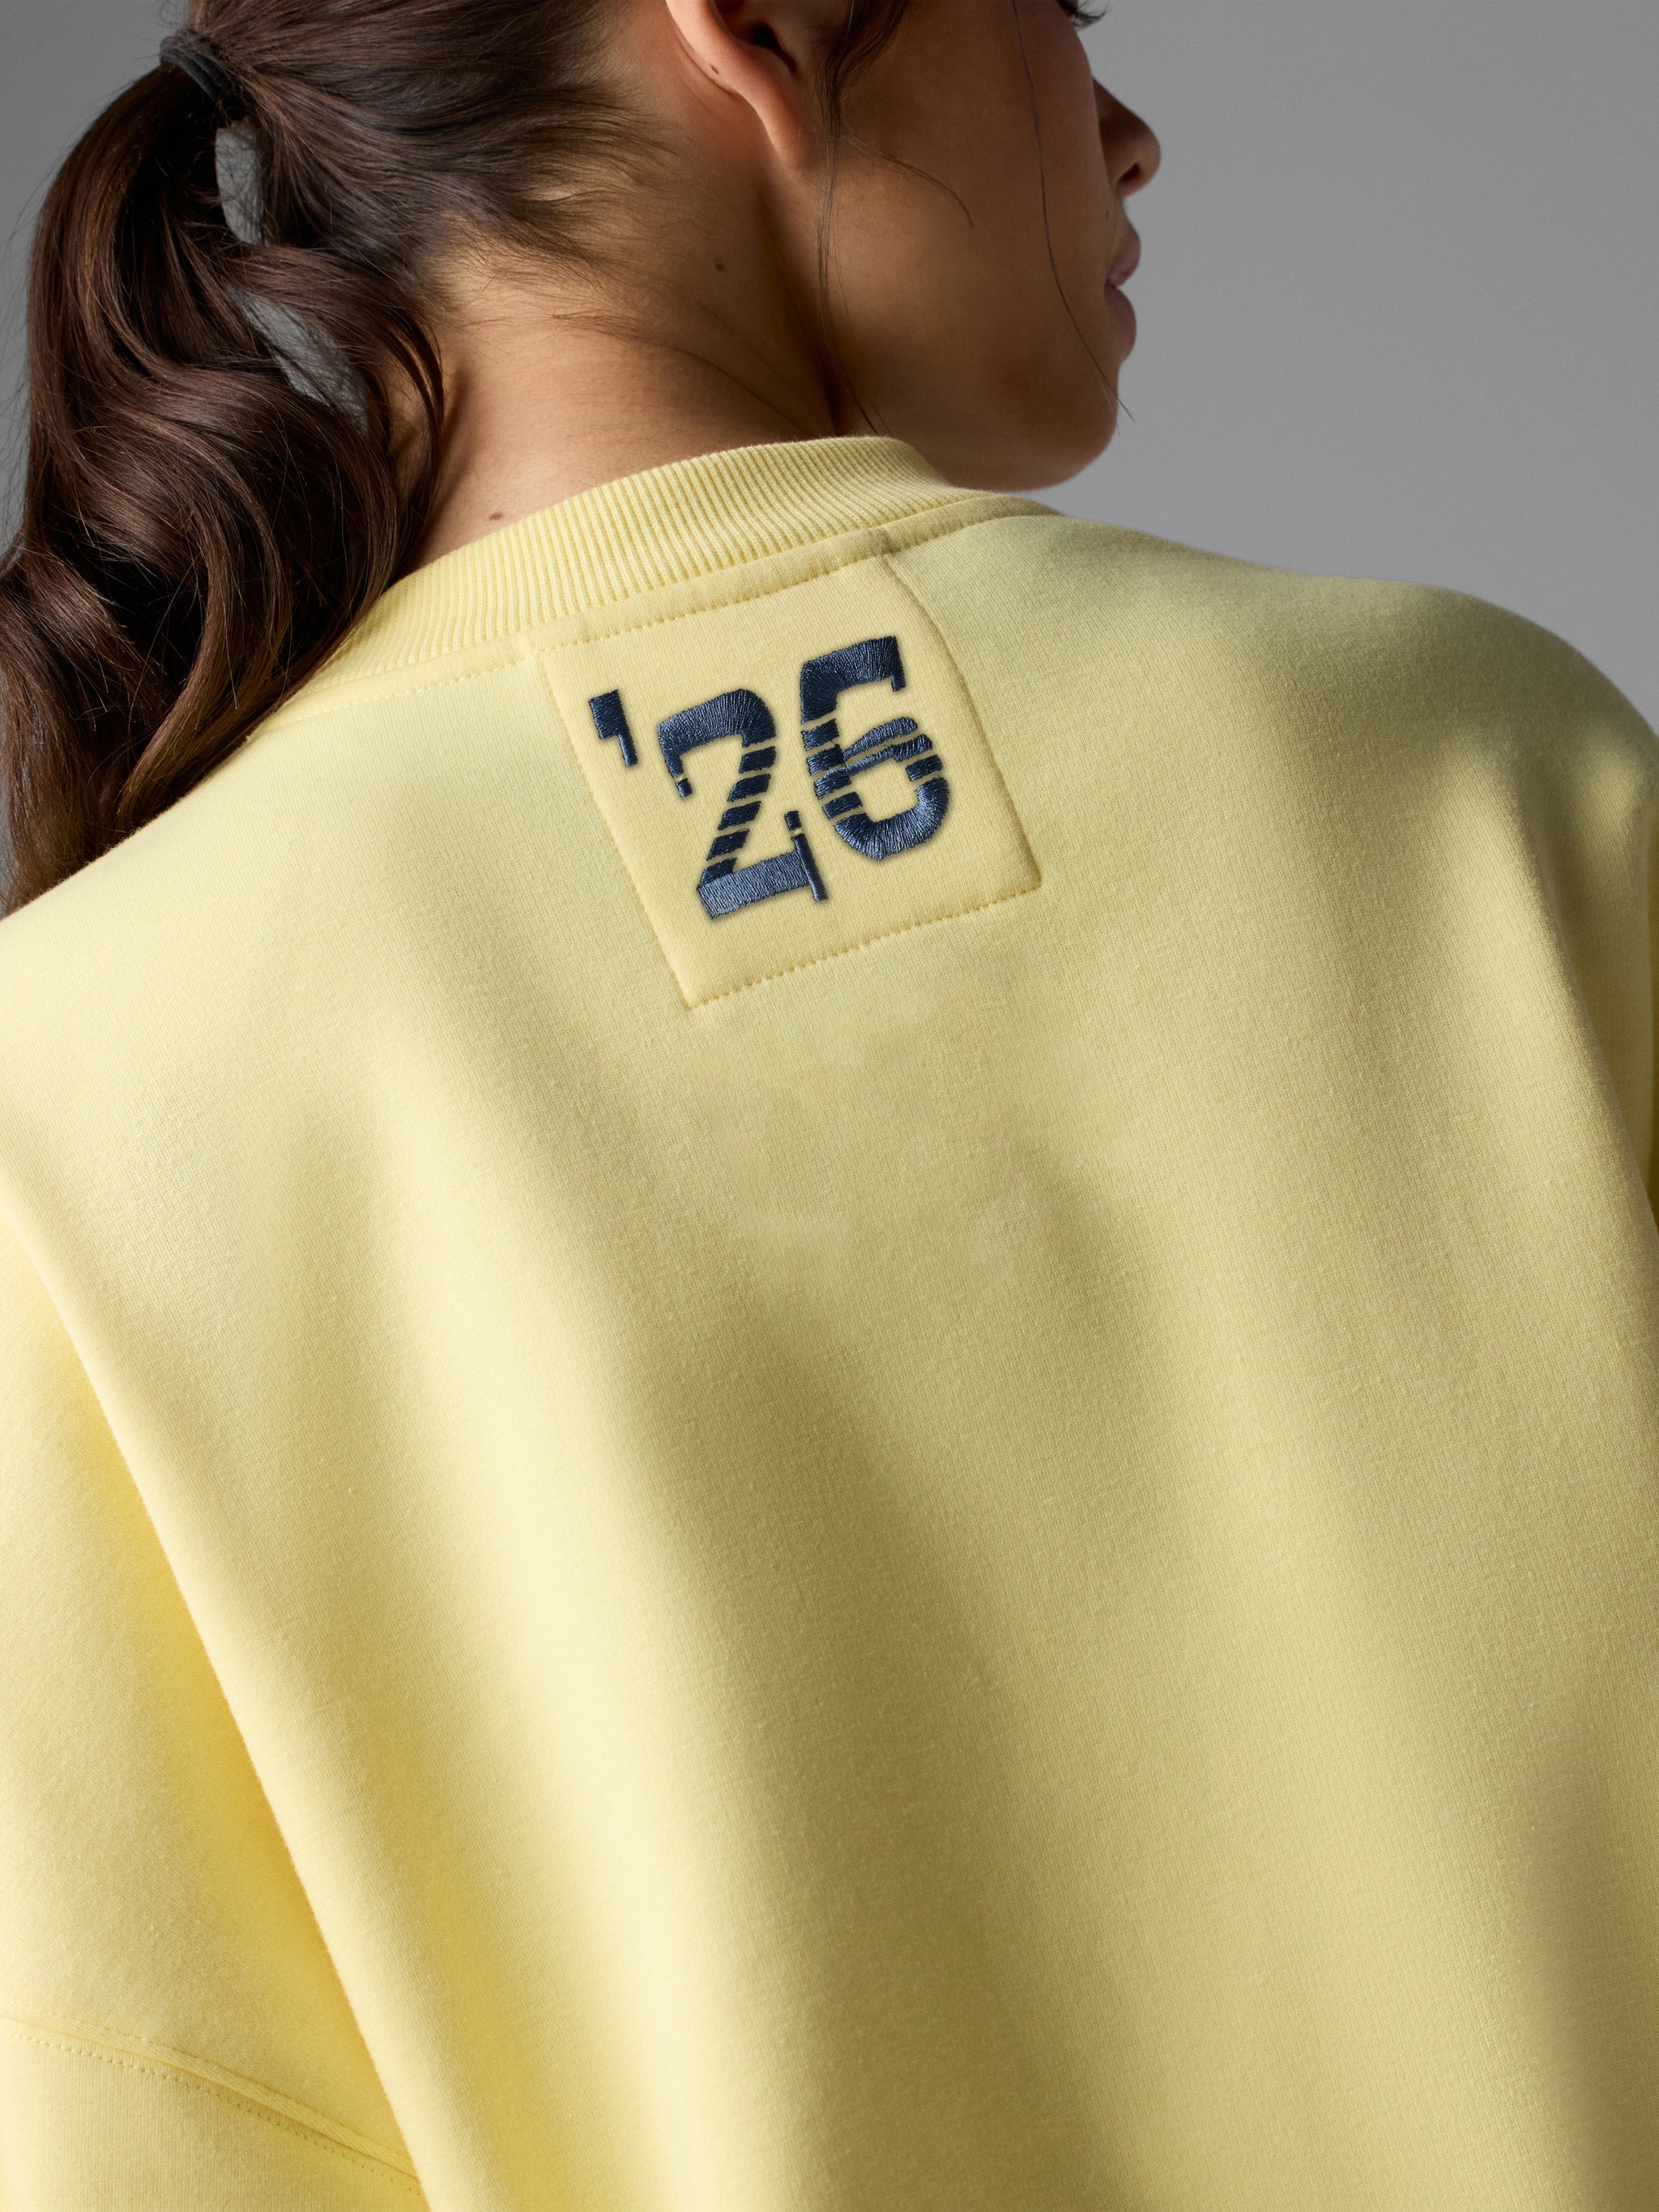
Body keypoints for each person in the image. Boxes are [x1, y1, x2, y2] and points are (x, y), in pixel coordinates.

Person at [0, 1, 1655, 2205]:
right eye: (1064, 8)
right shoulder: (1496, 783)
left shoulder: (72, 1087)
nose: (1129, 135)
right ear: (756, 28)